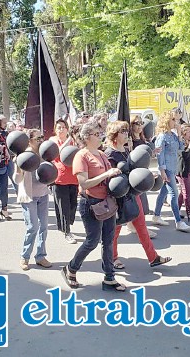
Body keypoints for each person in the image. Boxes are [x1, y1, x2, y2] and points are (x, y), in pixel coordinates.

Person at [61, 121, 126, 291]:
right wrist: (107, 173)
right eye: (97, 134)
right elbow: (84, 183)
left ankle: (110, 278)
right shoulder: (81, 156)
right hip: (90, 203)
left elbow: (109, 177)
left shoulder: (101, 154)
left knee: (108, 241)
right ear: (87, 137)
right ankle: (70, 268)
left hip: (107, 202)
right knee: (92, 241)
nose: (100, 136)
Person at [104, 121, 172, 269]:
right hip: (119, 198)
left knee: (141, 227)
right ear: (114, 135)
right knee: (116, 230)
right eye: (122, 131)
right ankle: (113, 258)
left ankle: (153, 257)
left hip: (132, 195)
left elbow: (134, 170)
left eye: (126, 130)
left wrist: (147, 176)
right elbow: (111, 179)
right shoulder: (109, 154)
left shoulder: (126, 150)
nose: (126, 133)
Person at [15, 129, 52, 270]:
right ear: (29, 140)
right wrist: (19, 167)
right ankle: (24, 257)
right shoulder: (24, 156)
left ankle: (41, 256)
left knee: (43, 226)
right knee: (33, 227)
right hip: (28, 196)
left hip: (42, 194)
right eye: (38, 138)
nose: (41, 140)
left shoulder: (45, 153)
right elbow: (17, 179)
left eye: (42, 137)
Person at [153, 111, 190, 232]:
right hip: (167, 169)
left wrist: (180, 132)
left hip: (173, 167)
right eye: (173, 120)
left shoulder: (173, 135)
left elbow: (181, 147)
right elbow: (160, 155)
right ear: (166, 121)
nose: (176, 122)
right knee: (174, 194)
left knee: (164, 192)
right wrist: (162, 170)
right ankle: (178, 221)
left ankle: (156, 215)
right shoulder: (162, 136)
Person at [49, 119, 79, 244]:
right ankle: (67, 231)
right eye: (59, 127)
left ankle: (63, 225)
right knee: (63, 206)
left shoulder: (73, 141)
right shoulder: (53, 141)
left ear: (67, 129)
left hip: (73, 177)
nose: (61, 129)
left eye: (63, 127)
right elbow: (58, 152)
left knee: (73, 205)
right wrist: (69, 139)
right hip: (59, 178)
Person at [177, 123, 190, 223]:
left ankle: (176, 209)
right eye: (188, 131)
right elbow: (185, 155)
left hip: (189, 169)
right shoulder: (181, 142)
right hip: (182, 170)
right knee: (187, 193)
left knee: (182, 192)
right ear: (183, 132)